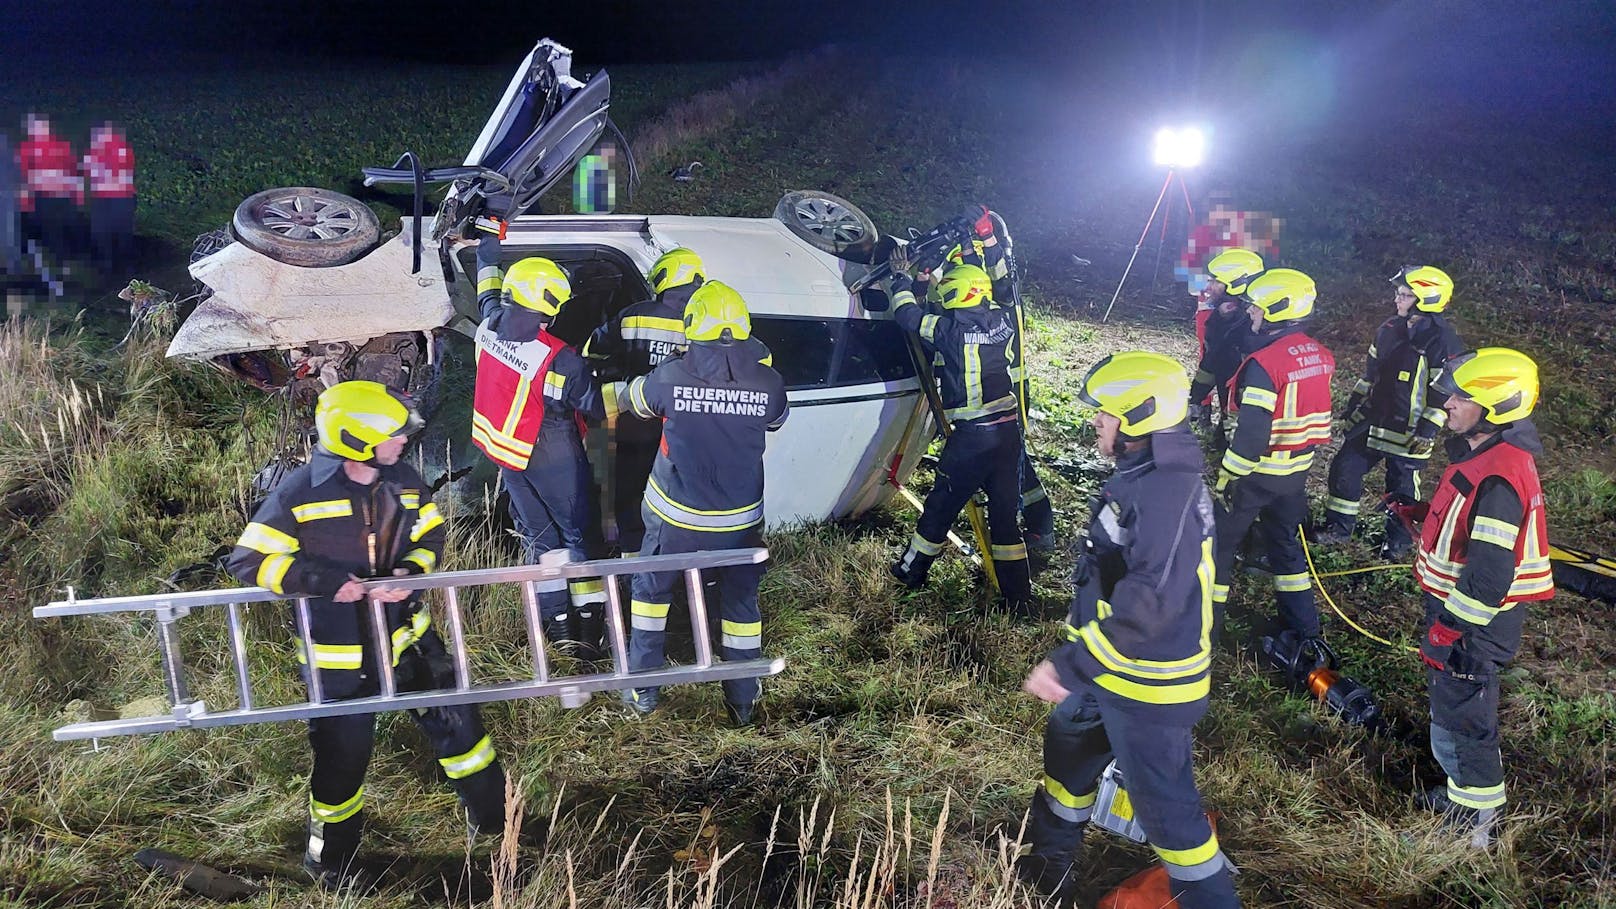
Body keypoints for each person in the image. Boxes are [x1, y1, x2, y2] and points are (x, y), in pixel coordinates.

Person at [225, 381, 505, 890]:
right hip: (339, 659)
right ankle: (330, 866)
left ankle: (498, 830)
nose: (402, 441)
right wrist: (325, 583)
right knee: (341, 765)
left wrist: (408, 574)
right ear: (355, 438)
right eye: (393, 434)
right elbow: (248, 561)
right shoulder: (299, 491)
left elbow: (430, 534)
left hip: (410, 640)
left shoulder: (403, 480)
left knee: (464, 736)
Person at [1019, 351, 1239, 909]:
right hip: (1106, 668)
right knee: (1066, 764)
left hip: (1147, 686)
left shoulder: (1167, 491)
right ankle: (1045, 878)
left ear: (1139, 419)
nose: (1097, 421)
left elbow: (1150, 606)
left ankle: (1211, 898)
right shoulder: (1144, 475)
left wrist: (1067, 666)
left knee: (1170, 818)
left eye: (1107, 413)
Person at [1401, 348, 1553, 848]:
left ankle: (1474, 825)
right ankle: (1460, 795)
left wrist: (1448, 630)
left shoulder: (1498, 476)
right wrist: (1425, 514)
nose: (1446, 402)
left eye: (1461, 396)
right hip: (1461, 617)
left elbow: (1489, 579)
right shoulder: (1485, 456)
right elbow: (1471, 532)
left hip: (1474, 623)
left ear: (1494, 406)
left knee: (1466, 718)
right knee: (1453, 707)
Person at [619, 280, 788, 723]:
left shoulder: (670, 376)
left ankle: (643, 694)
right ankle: (742, 702)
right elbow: (776, 420)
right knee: (740, 606)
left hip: (674, 519)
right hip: (739, 524)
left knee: (651, 597)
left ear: (694, 327)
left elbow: (632, 400)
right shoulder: (768, 381)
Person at [470, 235, 615, 658]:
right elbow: (594, 404)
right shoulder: (559, 358)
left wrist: (487, 251)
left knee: (541, 540)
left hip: (506, 454)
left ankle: (556, 630)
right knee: (580, 536)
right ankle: (590, 635)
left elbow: (487, 293)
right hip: (551, 453)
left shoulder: (489, 323)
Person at [886, 253, 1034, 614]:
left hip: (973, 439)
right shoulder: (1004, 320)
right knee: (1004, 518)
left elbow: (907, 316)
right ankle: (1018, 596)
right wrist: (925, 282)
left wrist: (901, 280)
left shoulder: (949, 331)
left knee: (940, 508)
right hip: (1008, 434)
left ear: (959, 294)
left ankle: (910, 572)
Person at [917, 207, 1056, 552]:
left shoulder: (993, 297)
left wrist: (987, 238)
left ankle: (1039, 527)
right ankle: (1034, 531)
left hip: (997, 396)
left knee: (1013, 472)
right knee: (1010, 468)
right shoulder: (985, 302)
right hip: (995, 394)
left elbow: (1000, 281)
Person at [1211, 268, 1335, 642]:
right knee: (1285, 549)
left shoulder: (1266, 365)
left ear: (1279, 310)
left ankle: (1205, 631)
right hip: (1296, 475)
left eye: (1257, 309)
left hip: (1258, 474)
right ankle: (1304, 629)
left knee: (1219, 549)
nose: (1251, 314)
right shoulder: (1320, 355)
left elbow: (1251, 436)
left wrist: (1227, 477)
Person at [1316, 266, 1462, 558]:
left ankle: (1397, 544)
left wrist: (1428, 429)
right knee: (1345, 469)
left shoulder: (1443, 341)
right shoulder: (1388, 329)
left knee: (1402, 490)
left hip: (1409, 430)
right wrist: (1353, 405)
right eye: (1398, 294)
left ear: (1426, 300)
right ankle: (1338, 529)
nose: (1398, 300)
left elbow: (1445, 391)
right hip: (1372, 421)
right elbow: (1370, 373)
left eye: (1406, 295)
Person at [584, 247, 707, 556]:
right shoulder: (705, 324)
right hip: (678, 435)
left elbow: (592, 352)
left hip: (630, 427)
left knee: (627, 499)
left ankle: (629, 562)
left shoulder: (634, 314)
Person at [1187, 248, 1264, 433]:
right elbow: (1212, 360)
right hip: (1229, 406)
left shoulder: (1255, 324)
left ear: (1237, 284)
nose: (1208, 287)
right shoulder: (1224, 316)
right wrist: (1196, 398)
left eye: (1215, 281)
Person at [16, 113, 80, 259]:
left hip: (62, 194)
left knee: (62, 226)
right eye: (34, 127)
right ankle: (51, 254)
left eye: (41, 126)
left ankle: (64, 255)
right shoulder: (26, 149)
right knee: (46, 226)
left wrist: (74, 192)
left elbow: (73, 168)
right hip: (42, 194)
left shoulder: (62, 146)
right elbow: (23, 173)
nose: (38, 130)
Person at [82, 122, 137, 278]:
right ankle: (109, 266)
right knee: (103, 232)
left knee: (122, 232)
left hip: (121, 197)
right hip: (103, 198)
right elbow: (89, 173)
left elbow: (122, 169)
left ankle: (126, 268)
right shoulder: (93, 152)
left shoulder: (121, 149)